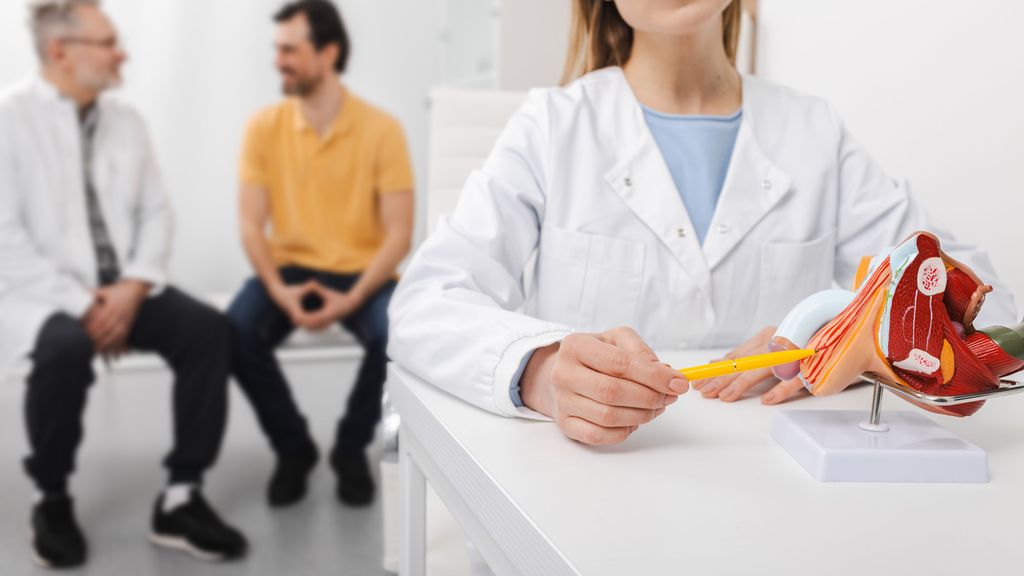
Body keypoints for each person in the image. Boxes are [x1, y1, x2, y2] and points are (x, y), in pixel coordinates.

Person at [388, 0, 1018, 446]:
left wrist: (841, 344)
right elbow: (424, 303)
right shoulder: (553, 126)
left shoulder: (813, 131)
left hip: (771, 491)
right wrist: (542, 372)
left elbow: (985, 312)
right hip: (588, 486)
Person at [0, 0, 247, 569]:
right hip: (43, 293)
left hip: (126, 288)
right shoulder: (9, 119)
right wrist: (80, 304)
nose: (122, 54)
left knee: (208, 331)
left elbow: (157, 213)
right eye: (108, 42)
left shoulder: (127, 121)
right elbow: (4, 236)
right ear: (60, 51)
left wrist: (133, 287)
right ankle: (51, 497)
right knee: (62, 349)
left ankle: (181, 495)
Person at [228, 0, 414, 508]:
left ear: (328, 53)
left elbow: (399, 234)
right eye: (277, 49)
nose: (278, 61)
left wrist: (351, 299)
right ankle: (294, 448)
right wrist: (278, 291)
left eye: (290, 50)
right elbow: (250, 225)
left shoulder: (382, 129)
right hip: (289, 269)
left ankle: (350, 448)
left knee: (398, 333)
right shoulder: (262, 127)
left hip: (363, 271)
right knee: (235, 331)